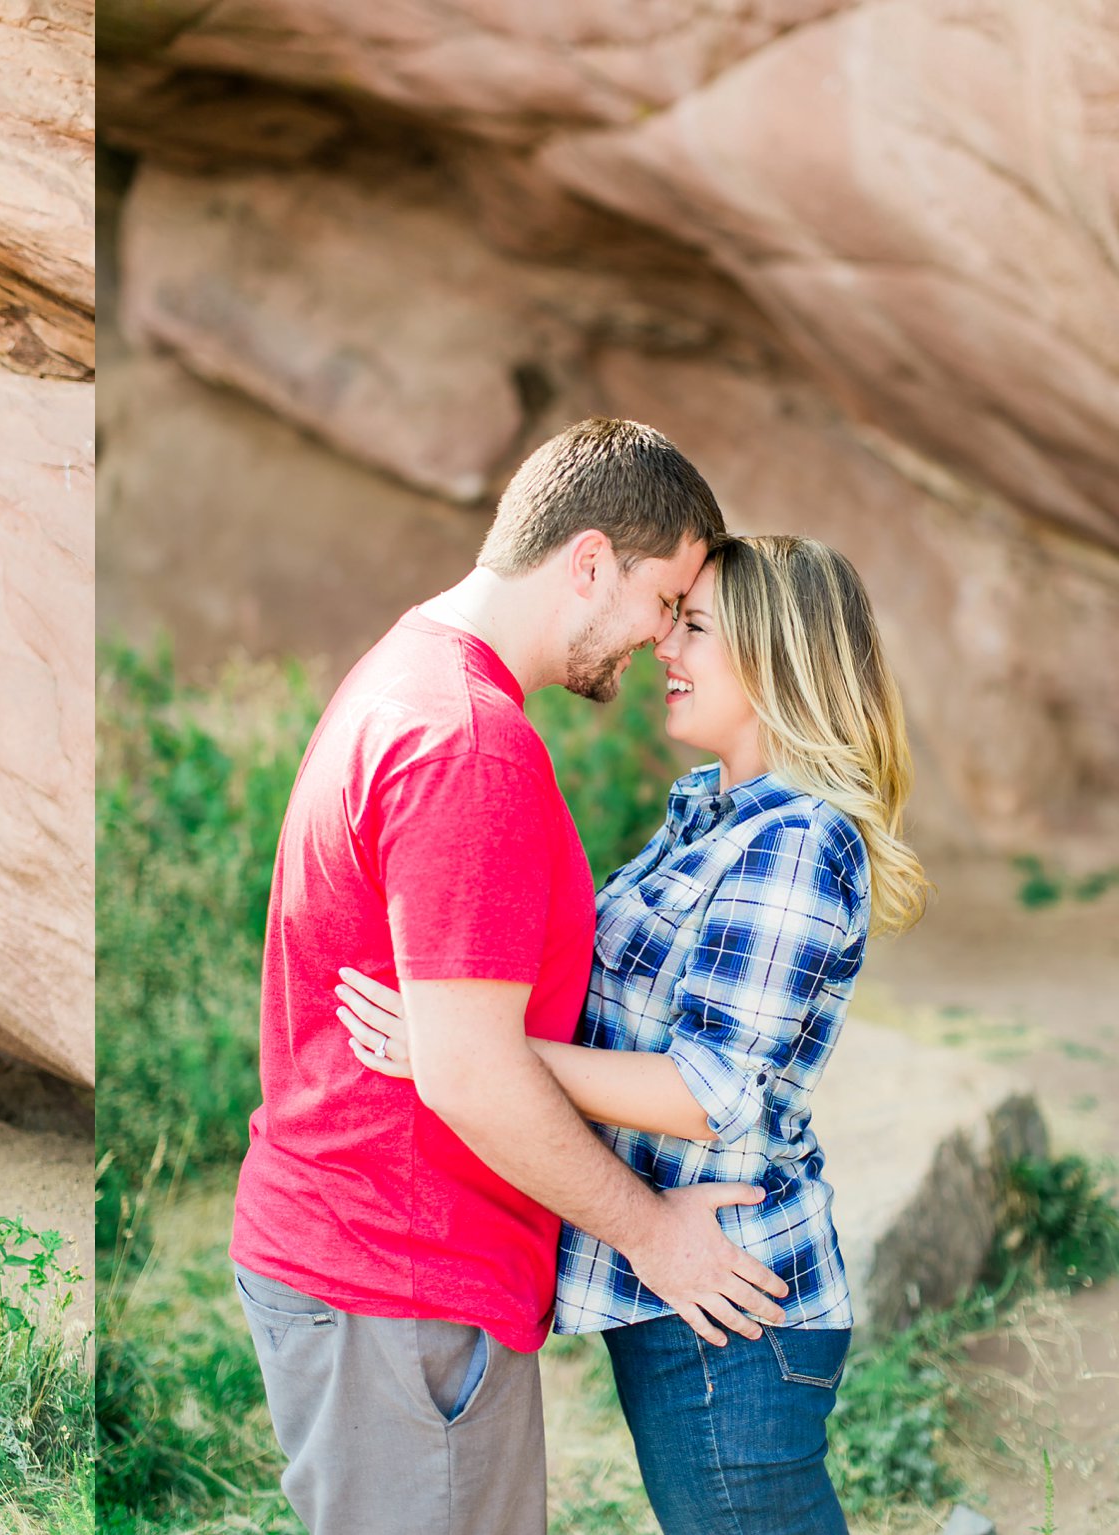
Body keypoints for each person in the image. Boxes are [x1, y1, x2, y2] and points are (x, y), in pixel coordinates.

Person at [227, 418, 792, 1535]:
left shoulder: (409, 669)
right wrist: (652, 1233)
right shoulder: (467, 745)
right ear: (587, 561)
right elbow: (470, 1076)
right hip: (397, 1286)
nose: (660, 640)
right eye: (661, 601)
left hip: (377, 1275)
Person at [337, 534, 926, 1534]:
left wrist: (468, 1054)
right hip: (681, 1290)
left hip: (729, 1300)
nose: (664, 646)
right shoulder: (710, 813)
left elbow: (705, 1088)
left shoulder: (796, 839)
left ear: (775, 655)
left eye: (694, 627)